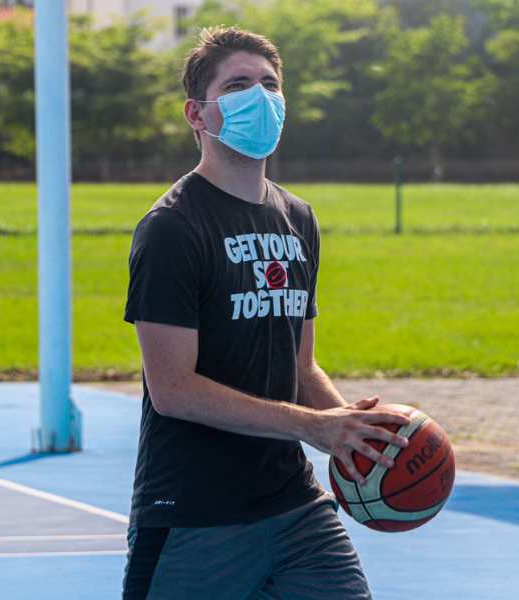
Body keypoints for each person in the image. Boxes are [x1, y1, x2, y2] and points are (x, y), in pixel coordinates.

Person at [121, 25, 410, 599]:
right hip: (195, 514)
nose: (260, 97)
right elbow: (173, 388)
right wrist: (313, 427)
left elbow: (301, 367)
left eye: (270, 84)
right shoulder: (171, 229)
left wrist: (350, 429)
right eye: (238, 85)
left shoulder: (298, 218)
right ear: (197, 115)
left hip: (295, 507)